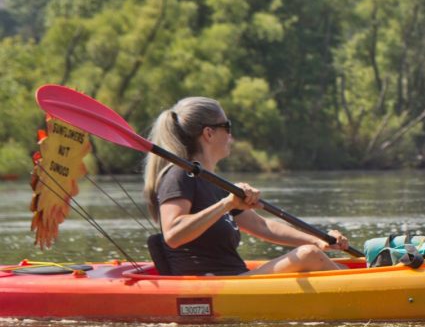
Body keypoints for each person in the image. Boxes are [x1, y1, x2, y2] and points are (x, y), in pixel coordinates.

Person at [141, 96, 350, 276]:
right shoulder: (179, 175)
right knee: (308, 256)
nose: (231, 136)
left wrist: (318, 240)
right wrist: (226, 205)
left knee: (318, 255)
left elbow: (262, 226)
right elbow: (173, 235)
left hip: (236, 276)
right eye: (227, 127)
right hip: (212, 283)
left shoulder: (213, 182)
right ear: (209, 133)